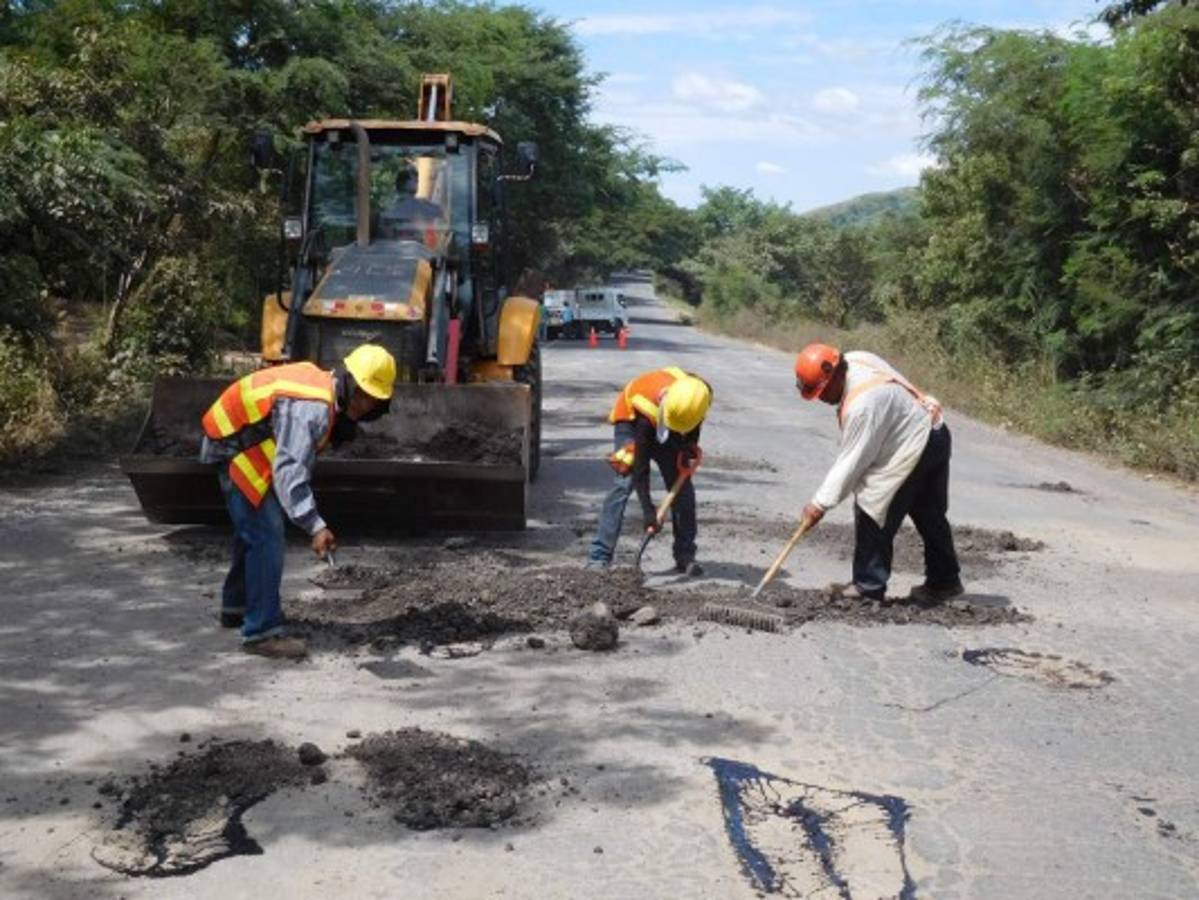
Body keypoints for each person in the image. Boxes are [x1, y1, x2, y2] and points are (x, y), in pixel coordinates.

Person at [199, 344, 397, 658]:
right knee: (266, 534)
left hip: (239, 438)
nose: (365, 404)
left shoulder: (325, 394)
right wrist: (315, 524)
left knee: (253, 529)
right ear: (348, 382)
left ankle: (236, 607)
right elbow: (289, 469)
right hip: (233, 446)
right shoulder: (313, 408)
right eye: (361, 394)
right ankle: (261, 632)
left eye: (374, 400)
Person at [793, 343, 962, 603]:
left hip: (914, 445)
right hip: (934, 431)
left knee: (872, 503)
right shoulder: (857, 359)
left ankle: (868, 586)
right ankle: (944, 581)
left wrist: (819, 505)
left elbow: (852, 463)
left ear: (835, 374)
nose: (823, 398)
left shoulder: (863, 405)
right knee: (930, 514)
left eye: (823, 391)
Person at [586, 367, 712, 574]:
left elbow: (695, 422)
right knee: (623, 484)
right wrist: (648, 511)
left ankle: (685, 555)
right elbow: (641, 469)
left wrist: (689, 444)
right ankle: (599, 557)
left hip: (673, 422)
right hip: (632, 422)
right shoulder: (646, 410)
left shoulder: (699, 393)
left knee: (683, 490)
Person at [380, 162, 443, 247]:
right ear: (404, 183)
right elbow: (439, 212)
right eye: (415, 180)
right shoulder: (418, 204)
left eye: (417, 180)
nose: (418, 182)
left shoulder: (387, 206)